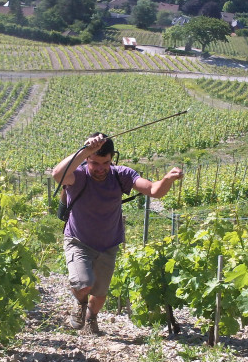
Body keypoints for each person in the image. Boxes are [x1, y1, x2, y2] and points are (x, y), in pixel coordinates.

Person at [51, 132, 184, 335]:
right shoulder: (77, 175)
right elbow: (57, 174)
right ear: (87, 159)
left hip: (109, 244)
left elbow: (154, 190)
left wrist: (167, 179)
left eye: (105, 163)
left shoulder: (121, 175)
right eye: (95, 163)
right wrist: (85, 149)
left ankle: (91, 319)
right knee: (82, 283)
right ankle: (80, 303)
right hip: (78, 240)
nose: (101, 168)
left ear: (112, 158)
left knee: (100, 293)